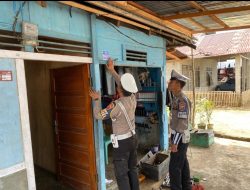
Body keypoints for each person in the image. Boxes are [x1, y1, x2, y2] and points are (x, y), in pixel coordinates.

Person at [89, 58, 140, 190]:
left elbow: (98, 115)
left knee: (122, 175)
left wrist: (96, 100)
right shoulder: (133, 97)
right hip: (133, 138)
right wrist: (112, 70)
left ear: (119, 89)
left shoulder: (116, 105)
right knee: (132, 170)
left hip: (122, 144)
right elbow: (123, 85)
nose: (117, 85)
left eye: (119, 85)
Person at [168, 69, 192, 190]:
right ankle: (187, 187)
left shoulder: (181, 100)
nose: (169, 82)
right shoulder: (176, 97)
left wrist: (175, 142)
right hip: (180, 136)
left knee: (174, 168)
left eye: (171, 81)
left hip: (180, 137)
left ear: (177, 84)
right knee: (183, 164)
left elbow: (181, 124)